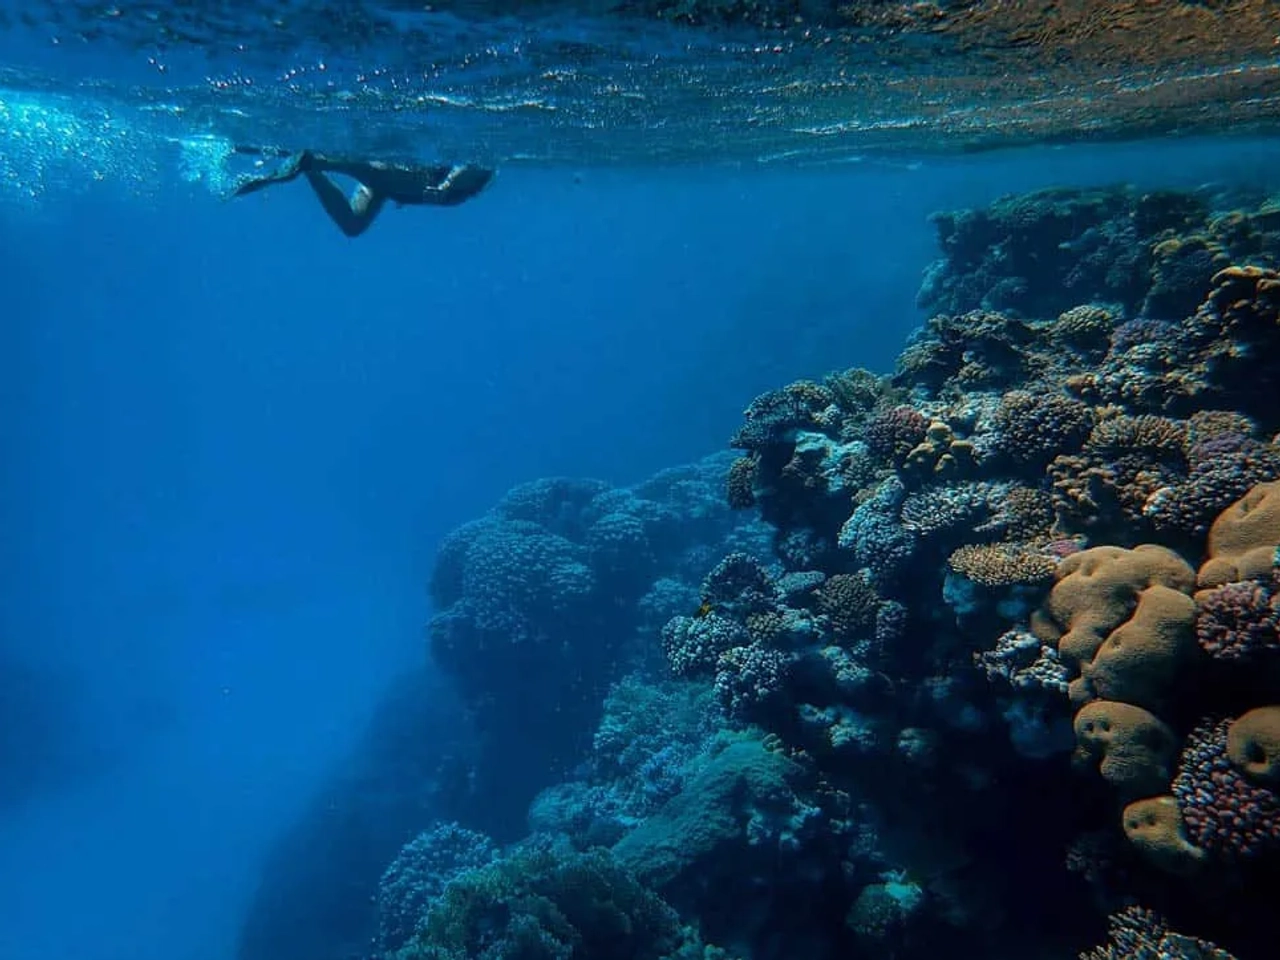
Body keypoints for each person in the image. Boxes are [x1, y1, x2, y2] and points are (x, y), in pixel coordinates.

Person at [230, 149, 495, 237]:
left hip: (395, 189)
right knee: (375, 173)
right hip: (408, 175)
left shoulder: (466, 191)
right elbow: (478, 161)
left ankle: (309, 166)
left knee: (353, 224)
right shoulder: (472, 176)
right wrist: (447, 184)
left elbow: (479, 167)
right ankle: (314, 161)